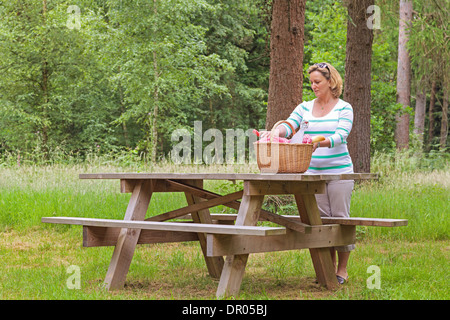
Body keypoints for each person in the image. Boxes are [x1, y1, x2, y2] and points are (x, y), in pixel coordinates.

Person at [261, 62, 354, 284]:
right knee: (320, 222)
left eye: (317, 82)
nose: (313, 86)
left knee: (341, 220)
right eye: (311, 82)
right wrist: (274, 132)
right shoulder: (304, 108)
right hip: (312, 174)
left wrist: (317, 142)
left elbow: (341, 135)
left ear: (331, 82)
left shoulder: (344, 108)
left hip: (339, 173)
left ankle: (342, 270)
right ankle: (328, 269)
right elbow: (290, 126)